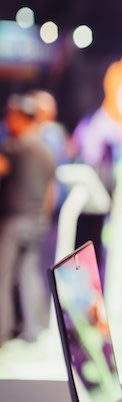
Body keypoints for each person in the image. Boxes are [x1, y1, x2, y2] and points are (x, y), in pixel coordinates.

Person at [0, 92, 56, 346]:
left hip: (13, 222)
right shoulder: (46, 151)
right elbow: (51, 194)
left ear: (22, 118)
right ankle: (33, 329)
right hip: (37, 221)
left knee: (3, 276)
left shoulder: (15, 147)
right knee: (27, 274)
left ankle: (2, 330)